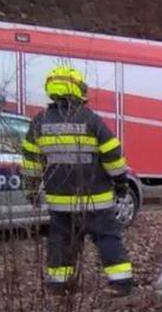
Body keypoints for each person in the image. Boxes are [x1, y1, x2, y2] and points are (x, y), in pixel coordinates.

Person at [22, 66, 133, 297]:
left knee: (61, 241)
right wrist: (121, 182)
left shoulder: (39, 123)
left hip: (59, 201)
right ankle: (121, 282)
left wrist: (32, 190)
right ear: (77, 88)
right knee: (107, 238)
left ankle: (59, 285)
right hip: (96, 199)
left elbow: (31, 162)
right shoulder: (90, 120)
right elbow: (112, 154)